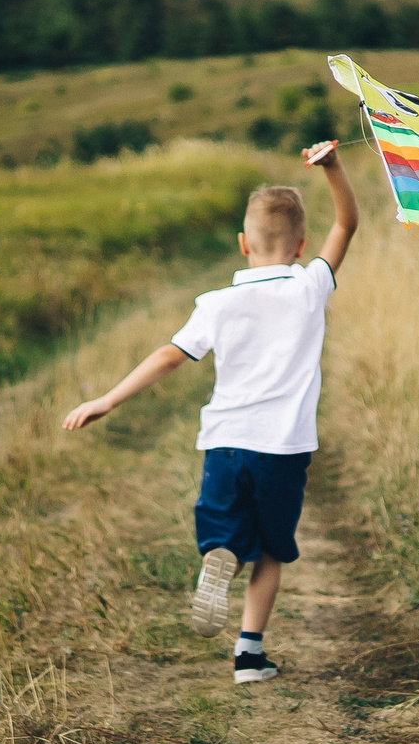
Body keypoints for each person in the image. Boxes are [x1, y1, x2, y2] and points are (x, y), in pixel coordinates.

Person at [61, 142, 358, 684]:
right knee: (272, 550)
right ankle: (249, 654)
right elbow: (348, 224)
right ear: (301, 246)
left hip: (224, 442)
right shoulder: (310, 285)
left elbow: (167, 357)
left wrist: (106, 399)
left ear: (243, 244)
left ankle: (219, 554)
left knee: (229, 534)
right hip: (283, 447)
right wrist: (333, 169)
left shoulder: (215, 303)